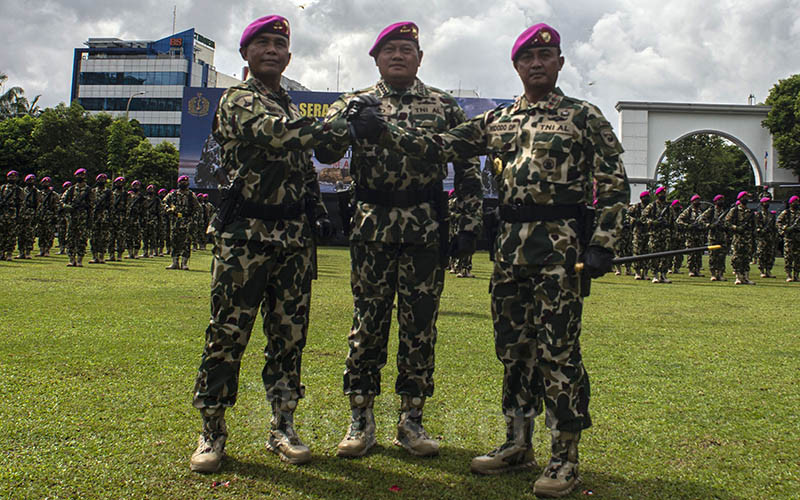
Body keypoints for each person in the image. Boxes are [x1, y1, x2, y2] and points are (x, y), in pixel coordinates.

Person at [350, 23, 629, 496]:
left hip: (560, 252)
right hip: (509, 254)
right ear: (516, 66)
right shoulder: (498, 121)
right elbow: (439, 146)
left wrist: (603, 242)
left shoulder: (584, 117)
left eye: (546, 56)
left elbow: (615, 183)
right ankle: (517, 442)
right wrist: (384, 131)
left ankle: (564, 457)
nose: (536, 64)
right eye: (527, 58)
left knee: (558, 352)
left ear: (560, 63)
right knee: (513, 350)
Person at [190, 15, 349, 473]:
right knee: (228, 334)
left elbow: (308, 168)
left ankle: (283, 425)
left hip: (293, 240)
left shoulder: (290, 107)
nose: (272, 50)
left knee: (289, 337)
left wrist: (318, 210)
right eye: (262, 43)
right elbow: (274, 135)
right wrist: (337, 122)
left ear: (289, 56)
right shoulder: (238, 99)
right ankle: (212, 430)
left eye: (280, 44)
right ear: (246, 53)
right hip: (245, 237)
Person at [317, 21, 483, 459]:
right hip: (372, 226)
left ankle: (412, 419)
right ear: (375, 58)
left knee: (419, 326)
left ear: (420, 58)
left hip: (424, 227)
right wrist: (348, 123)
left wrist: (468, 224)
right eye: (389, 49)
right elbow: (325, 152)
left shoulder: (443, 105)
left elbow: (468, 167)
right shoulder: (355, 102)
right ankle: (360, 417)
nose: (397, 55)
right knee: (367, 323)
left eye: (406, 49)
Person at [163, 176, 201, 270]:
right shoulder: (173, 194)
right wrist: (168, 209)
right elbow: (164, 202)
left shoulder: (191, 195)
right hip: (175, 221)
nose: (184, 183)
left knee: (186, 242)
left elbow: (198, 208)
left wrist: (193, 220)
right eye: (182, 182)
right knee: (174, 241)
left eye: (186, 182)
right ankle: (174, 262)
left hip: (187, 221)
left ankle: (184, 263)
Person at [61, 168, 95, 267]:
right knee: (70, 238)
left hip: (83, 218)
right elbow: (62, 201)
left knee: (82, 239)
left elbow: (92, 204)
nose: (81, 177)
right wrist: (67, 207)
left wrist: (89, 215)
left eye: (82, 175)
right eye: (79, 175)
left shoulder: (89, 190)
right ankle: (71, 259)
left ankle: (80, 260)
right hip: (72, 217)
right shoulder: (71, 189)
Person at [641, 186, 674, 283]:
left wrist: (673, 232)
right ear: (657, 194)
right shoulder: (652, 206)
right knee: (654, 255)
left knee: (665, 256)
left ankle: (663, 275)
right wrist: (652, 222)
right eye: (661, 193)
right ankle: (655, 275)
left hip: (666, 234)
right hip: (654, 234)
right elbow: (643, 218)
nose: (663, 195)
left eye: (664, 193)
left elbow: (673, 221)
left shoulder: (669, 207)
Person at [725, 191, 756, 285]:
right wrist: (736, 228)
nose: (746, 199)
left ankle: (746, 278)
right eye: (744, 197)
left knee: (746, 258)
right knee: (737, 258)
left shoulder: (750, 212)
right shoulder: (734, 211)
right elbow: (727, 222)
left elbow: (753, 225)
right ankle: (738, 277)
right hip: (737, 238)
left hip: (747, 238)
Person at [675, 194, 707, 277]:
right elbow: (679, 220)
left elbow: (703, 221)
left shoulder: (700, 212)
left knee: (699, 253)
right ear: (692, 202)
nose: (698, 202)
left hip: (699, 235)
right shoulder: (688, 211)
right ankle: (691, 270)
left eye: (698, 200)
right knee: (691, 253)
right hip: (690, 236)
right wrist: (688, 225)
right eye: (696, 200)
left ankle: (697, 270)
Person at [701, 194, 729, 281]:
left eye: (722, 200)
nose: (721, 202)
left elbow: (728, 222)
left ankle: (720, 274)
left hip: (722, 237)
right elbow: (702, 219)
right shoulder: (711, 211)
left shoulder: (724, 212)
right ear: (715, 201)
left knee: (722, 256)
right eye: (719, 200)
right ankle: (713, 274)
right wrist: (709, 225)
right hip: (713, 237)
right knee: (713, 256)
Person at [0, 170, 24, 261]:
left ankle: (9, 253)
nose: (12, 178)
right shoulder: (2, 188)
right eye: (10, 177)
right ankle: (1, 252)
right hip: (2, 214)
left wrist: (19, 216)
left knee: (11, 235)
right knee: (1, 234)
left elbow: (22, 204)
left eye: (14, 177)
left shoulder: (19, 190)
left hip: (13, 214)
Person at [628, 191, 651, 280]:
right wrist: (634, 220)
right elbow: (626, 214)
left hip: (648, 232)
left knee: (647, 252)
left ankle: (645, 273)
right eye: (645, 197)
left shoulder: (651, 207)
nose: (647, 199)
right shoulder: (636, 207)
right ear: (641, 198)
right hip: (638, 232)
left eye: (648, 197)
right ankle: (637, 272)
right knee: (637, 251)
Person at [17, 173, 41, 259]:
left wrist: (37, 216)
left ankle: (27, 252)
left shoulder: (37, 192)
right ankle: (21, 252)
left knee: (30, 234)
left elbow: (39, 205)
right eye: (29, 180)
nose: (30, 182)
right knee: (21, 234)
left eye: (32, 180)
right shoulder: (21, 191)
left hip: (31, 215)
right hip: (22, 214)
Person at [777, 195, 800, 282]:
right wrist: (785, 228)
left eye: (797, 202)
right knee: (788, 257)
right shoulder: (786, 213)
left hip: (798, 238)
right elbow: (778, 222)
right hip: (789, 238)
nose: (796, 203)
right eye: (795, 202)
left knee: (798, 258)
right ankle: (789, 275)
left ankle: (796, 275)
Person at [89, 173, 112, 264]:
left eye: (103, 180)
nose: (102, 181)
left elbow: (111, 206)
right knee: (94, 237)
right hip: (94, 216)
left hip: (104, 217)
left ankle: (102, 256)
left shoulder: (108, 192)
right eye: (100, 180)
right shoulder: (92, 191)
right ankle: (95, 257)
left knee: (104, 237)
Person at [36, 177, 60, 257]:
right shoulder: (39, 194)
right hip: (41, 216)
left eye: (47, 183)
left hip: (50, 216)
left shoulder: (54, 194)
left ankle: (47, 250)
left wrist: (55, 217)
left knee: (49, 234)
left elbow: (57, 206)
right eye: (44, 182)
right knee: (41, 233)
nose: (46, 184)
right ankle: (41, 250)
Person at [754, 196, 778, 278]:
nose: (767, 204)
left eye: (768, 202)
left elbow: (774, 226)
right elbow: (755, 225)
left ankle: (768, 271)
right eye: (765, 202)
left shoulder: (771, 215)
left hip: (770, 237)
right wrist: (760, 230)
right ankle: (762, 271)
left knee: (770, 255)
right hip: (761, 238)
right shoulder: (758, 215)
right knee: (761, 254)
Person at [108, 177, 128, 261]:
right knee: (111, 237)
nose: (120, 184)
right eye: (118, 183)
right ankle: (111, 255)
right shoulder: (110, 194)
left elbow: (128, 207)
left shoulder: (126, 195)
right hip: (112, 217)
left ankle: (119, 255)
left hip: (122, 218)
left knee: (121, 237)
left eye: (121, 183)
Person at [125, 180, 144, 259]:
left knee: (137, 236)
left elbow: (144, 208)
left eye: (138, 185)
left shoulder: (141, 196)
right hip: (128, 217)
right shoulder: (127, 195)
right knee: (128, 236)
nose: (136, 187)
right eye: (134, 185)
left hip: (137, 218)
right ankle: (130, 253)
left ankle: (136, 253)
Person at [669, 199, 683, 274]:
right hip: (671, 235)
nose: (677, 206)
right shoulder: (669, 212)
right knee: (670, 253)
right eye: (676, 204)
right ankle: (669, 267)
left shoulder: (681, 213)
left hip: (680, 235)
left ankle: (677, 268)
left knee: (679, 254)